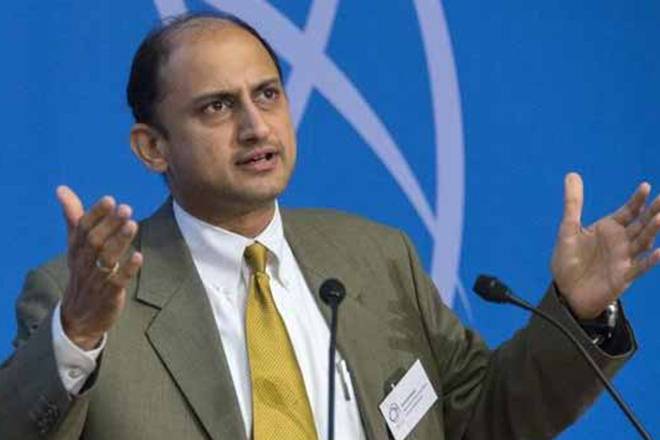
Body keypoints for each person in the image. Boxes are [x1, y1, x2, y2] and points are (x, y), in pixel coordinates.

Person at [1, 12, 659, 440]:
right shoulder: (79, 300)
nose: (256, 126)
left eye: (267, 94)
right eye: (217, 107)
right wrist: (78, 333)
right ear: (152, 148)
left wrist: (576, 312)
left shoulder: (376, 256)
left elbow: (483, 419)